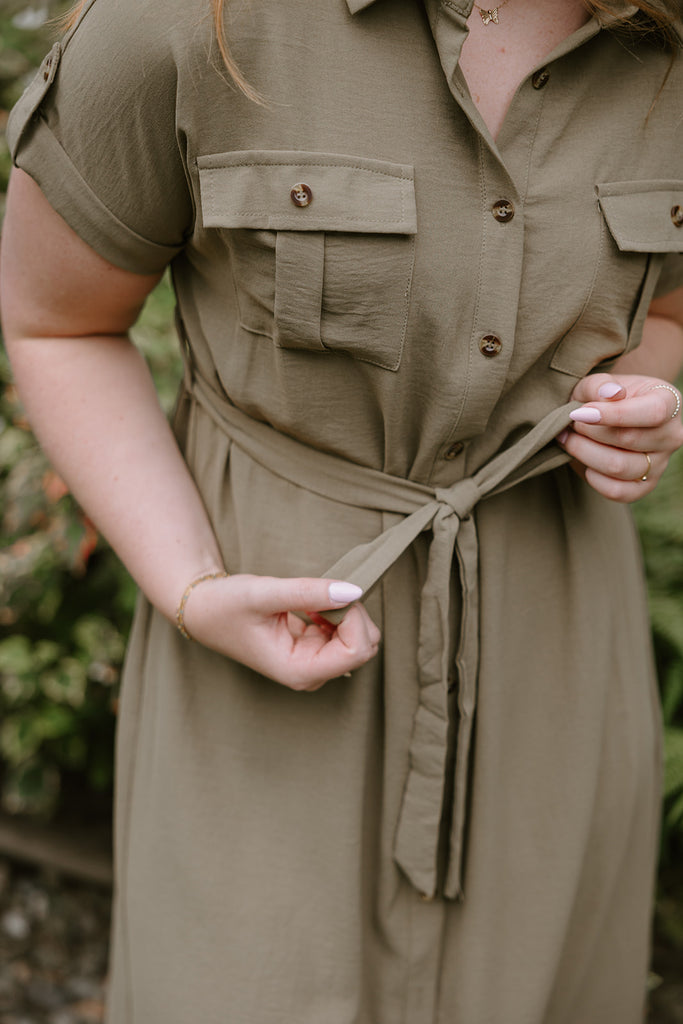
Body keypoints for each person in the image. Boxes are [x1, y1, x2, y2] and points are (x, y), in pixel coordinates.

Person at [1, 0, 682, 1019]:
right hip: (265, 656)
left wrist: (640, 405)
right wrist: (189, 583)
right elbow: (56, 320)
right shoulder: (187, 21)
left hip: (555, 665)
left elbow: (665, 306)